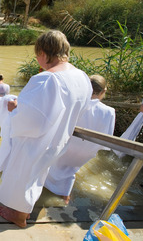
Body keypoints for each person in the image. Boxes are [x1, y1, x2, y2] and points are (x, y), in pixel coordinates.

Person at [0, 30, 92, 228]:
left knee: (23, 176)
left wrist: (14, 109)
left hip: (36, 140)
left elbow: (31, 120)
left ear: (45, 54)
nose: (37, 59)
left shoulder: (47, 79)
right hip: (59, 138)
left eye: (37, 54)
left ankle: (19, 216)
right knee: (38, 174)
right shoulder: (82, 77)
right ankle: (24, 210)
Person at [44, 75, 115, 204]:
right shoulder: (110, 111)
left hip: (67, 145)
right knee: (70, 169)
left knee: (54, 162)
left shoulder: (74, 103)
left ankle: (45, 187)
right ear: (103, 91)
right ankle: (64, 197)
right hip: (88, 151)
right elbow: (106, 139)